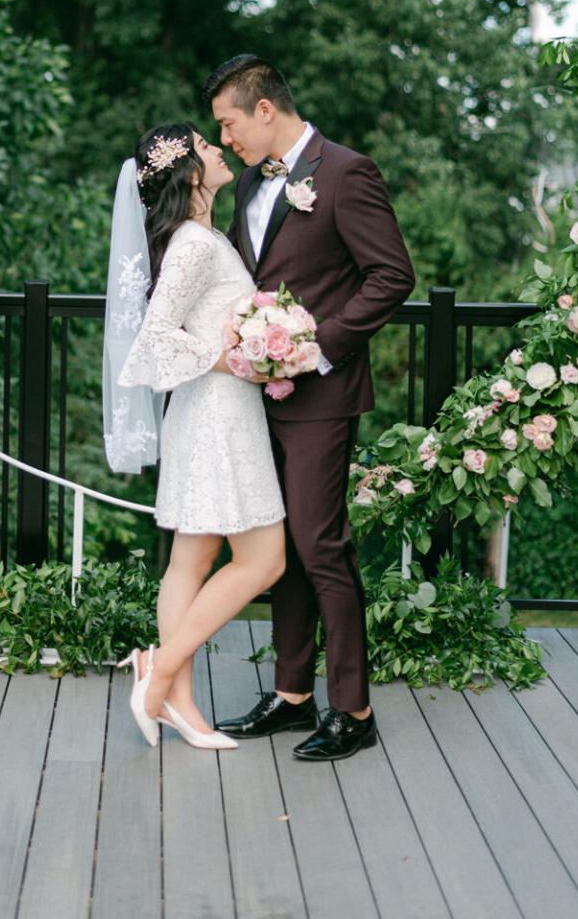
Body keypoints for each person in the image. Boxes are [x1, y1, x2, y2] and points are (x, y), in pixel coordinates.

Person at [203, 55, 415, 761]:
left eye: (229, 123)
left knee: (322, 544)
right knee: (278, 543)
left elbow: (392, 274)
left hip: (323, 392)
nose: (226, 139)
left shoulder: (347, 171)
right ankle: (293, 695)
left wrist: (319, 345)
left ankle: (352, 708)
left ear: (265, 109)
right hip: (256, 393)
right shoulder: (251, 189)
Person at [111, 123, 286, 749]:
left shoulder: (205, 237)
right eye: (205, 148)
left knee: (192, 559)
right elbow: (155, 337)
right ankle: (158, 673)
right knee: (264, 560)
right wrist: (234, 352)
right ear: (189, 173)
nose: (218, 149)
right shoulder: (193, 243)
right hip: (217, 415)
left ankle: (179, 701)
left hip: (215, 411)